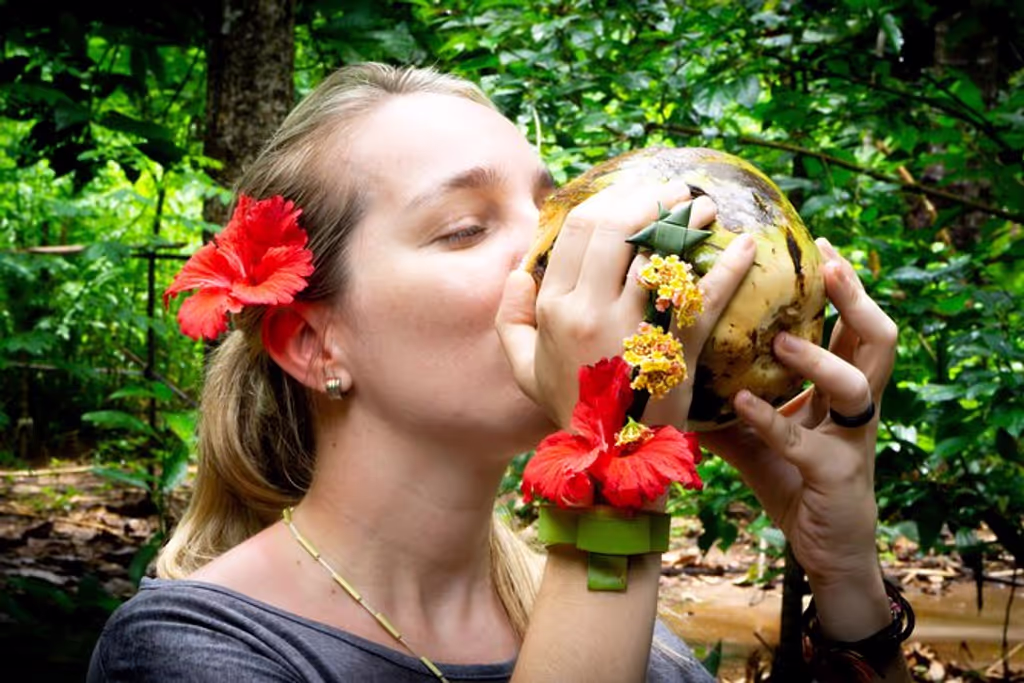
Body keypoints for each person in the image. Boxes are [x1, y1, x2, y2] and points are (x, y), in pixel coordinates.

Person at [87, 63, 910, 682]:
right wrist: (618, 461)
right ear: (314, 344)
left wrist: (843, 581)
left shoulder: (641, 646)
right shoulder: (192, 652)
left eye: (554, 206)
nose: (558, 251)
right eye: (465, 228)